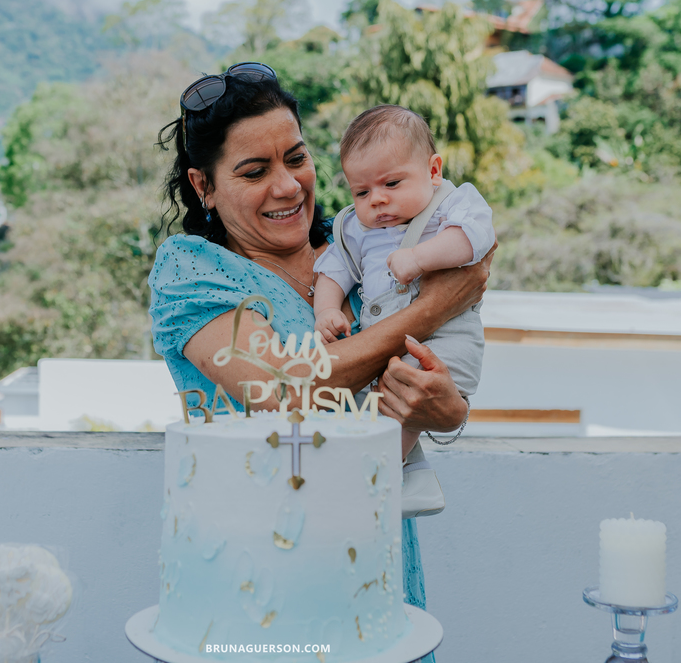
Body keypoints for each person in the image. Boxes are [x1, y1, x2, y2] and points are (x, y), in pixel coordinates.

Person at [147, 63, 495, 656]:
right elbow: (283, 388)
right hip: (260, 583)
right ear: (202, 186)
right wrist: (433, 306)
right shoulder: (191, 272)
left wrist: (446, 409)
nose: (287, 186)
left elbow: (423, 378)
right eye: (255, 171)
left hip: (377, 565)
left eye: (297, 158)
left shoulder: (358, 255)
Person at [313, 105, 494, 518]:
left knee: (406, 400)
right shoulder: (356, 229)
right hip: (384, 345)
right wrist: (326, 309)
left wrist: (420, 258)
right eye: (361, 192)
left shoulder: (451, 204)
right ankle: (405, 474)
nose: (377, 200)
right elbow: (333, 269)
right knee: (373, 401)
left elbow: (475, 240)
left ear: (433, 170)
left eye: (392, 183)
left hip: (446, 342)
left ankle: (381, 469)